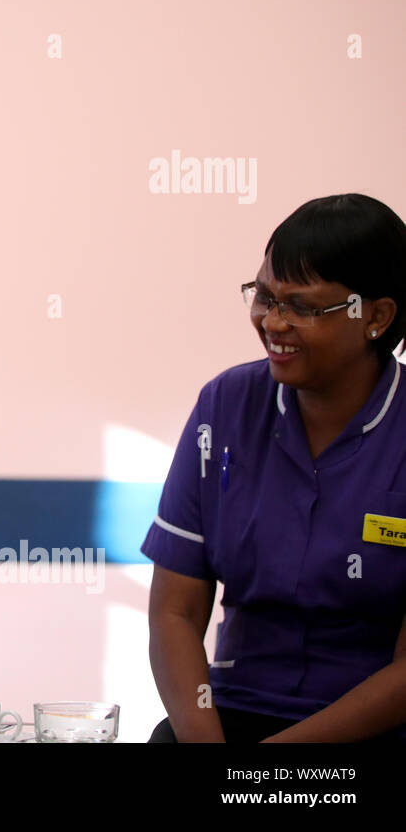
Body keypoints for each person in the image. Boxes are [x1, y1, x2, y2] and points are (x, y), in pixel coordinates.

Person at [143, 193, 406, 743]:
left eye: (303, 308)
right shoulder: (227, 405)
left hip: (375, 728)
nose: (273, 322)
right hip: (232, 715)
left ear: (376, 317)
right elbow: (175, 614)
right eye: (263, 297)